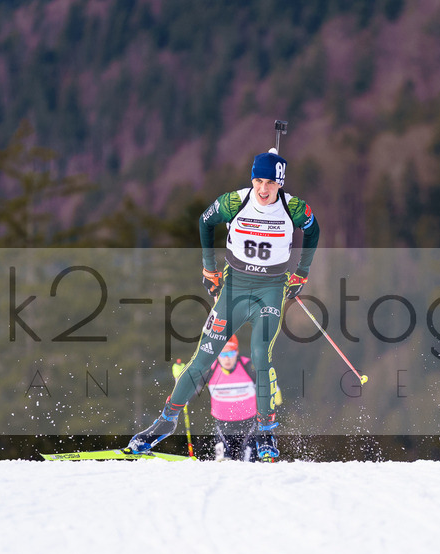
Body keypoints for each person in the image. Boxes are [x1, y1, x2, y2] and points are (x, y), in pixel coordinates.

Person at [127, 146, 320, 461]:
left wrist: (302, 273)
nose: (263, 188)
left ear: (280, 183)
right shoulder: (235, 201)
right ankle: (164, 422)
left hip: (270, 291)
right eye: (258, 180)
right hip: (234, 289)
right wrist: (208, 267)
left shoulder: (295, 208)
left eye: (270, 182)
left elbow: (314, 232)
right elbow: (205, 222)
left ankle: (265, 432)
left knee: (260, 354)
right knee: (202, 359)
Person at [206, 335, 284, 461]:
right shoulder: (210, 369)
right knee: (222, 463)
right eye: (222, 354)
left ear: (236, 352)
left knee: (248, 463)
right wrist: (180, 379)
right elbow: (191, 391)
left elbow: (265, 381)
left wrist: (274, 390)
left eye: (231, 354)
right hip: (223, 427)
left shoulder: (248, 366)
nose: (227, 359)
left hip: (249, 425)